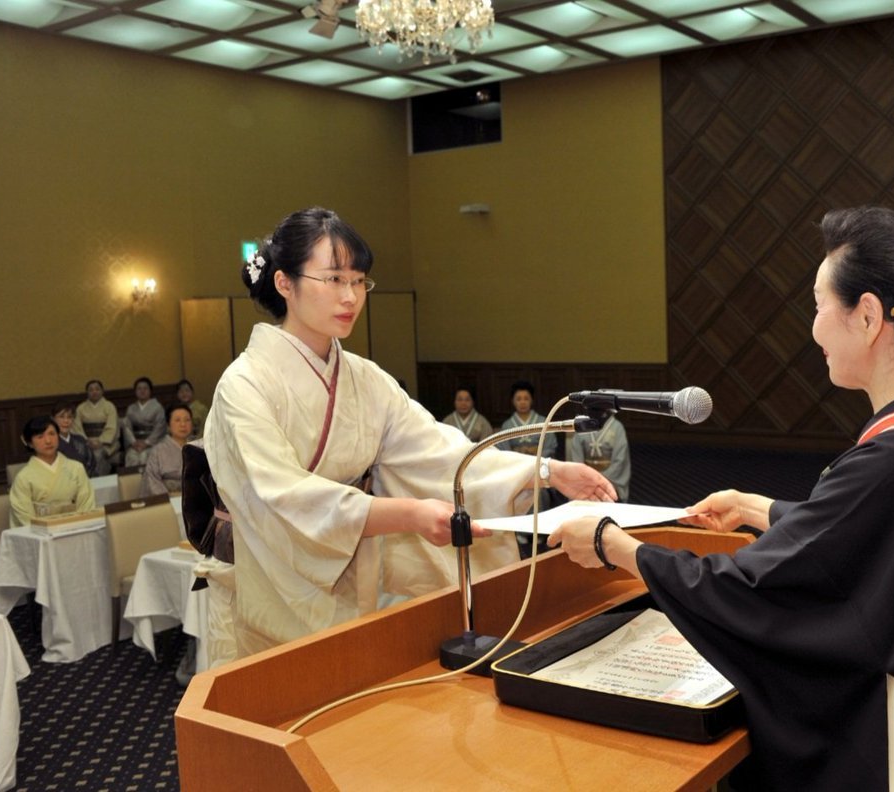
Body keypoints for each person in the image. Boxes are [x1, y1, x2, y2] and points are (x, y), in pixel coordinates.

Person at [551, 206, 894, 791]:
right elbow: (874, 546)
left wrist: (613, 544)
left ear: (869, 316)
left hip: (885, 750)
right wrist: (757, 508)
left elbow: (756, 598)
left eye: (820, 305)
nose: (815, 327)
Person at [204, 206, 615, 662]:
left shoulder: (364, 378)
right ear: (285, 283)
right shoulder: (244, 385)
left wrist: (548, 470)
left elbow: (438, 451)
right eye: (335, 279)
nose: (351, 297)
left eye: (359, 281)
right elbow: (282, 495)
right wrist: (408, 514)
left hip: (347, 564)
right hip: (270, 574)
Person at [10, 416, 96, 527]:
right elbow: (25, 518)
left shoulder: (76, 468)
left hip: (75, 530)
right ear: (30, 443)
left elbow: (86, 505)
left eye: (52, 434)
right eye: (40, 436)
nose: (48, 441)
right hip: (41, 536)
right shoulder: (23, 477)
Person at [566, 414, 630, 502]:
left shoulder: (617, 427)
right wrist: (588, 478)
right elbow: (577, 460)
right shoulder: (582, 425)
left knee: (610, 497)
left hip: (611, 480)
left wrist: (599, 480)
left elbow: (620, 460)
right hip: (585, 479)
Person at [141, 403, 193, 496]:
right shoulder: (157, 451)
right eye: (177, 420)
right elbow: (152, 481)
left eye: (187, 420)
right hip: (169, 499)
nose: (183, 424)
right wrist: (169, 500)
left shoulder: (199, 447)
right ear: (168, 425)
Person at [496, 381, 554, 457]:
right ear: (513, 401)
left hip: (538, 464)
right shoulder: (507, 425)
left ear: (532, 400)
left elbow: (549, 447)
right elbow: (504, 450)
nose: (522, 402)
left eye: (526, 399)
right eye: (518, 399)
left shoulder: (543, 421)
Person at [73, 379, 119, 475]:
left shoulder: (109, 406)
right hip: (87, 443)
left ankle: (98, 480)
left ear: (102, 391)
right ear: (87, 392)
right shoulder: (80, 408)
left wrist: (101, 441)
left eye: (97, 389)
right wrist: (86, 441)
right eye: (91, 390)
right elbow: (77, 428)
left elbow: (111, 427)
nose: (94, 392)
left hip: (106, 444)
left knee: (97, 454)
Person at [123, 376, 166, 466]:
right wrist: (133, 442)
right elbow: (127, 428)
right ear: (135, 391)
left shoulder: (157, 407)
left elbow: (159, 428)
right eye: (139, 388)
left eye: (145, 388)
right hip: (135, 444)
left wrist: (146, 443)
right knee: (131, 456)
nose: (142, 391)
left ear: (150, 391)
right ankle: (133, 480)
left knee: (144, 455)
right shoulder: (131, 408)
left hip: (153, 443)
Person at [52, 400, 98, 477]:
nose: (66, 421)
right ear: (53, 419)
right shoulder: (50, 443)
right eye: (61, 417)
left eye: (69, 417)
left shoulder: (80, 440)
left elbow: (92, 463)